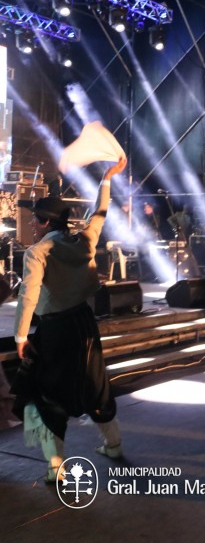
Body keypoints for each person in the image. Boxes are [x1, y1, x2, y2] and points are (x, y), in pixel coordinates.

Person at [11, 158, 127, 482]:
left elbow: (28, 296)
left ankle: (55, 467)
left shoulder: (37, 252)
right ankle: (114, 445)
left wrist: (21, 337)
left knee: (48, 394)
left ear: (45, 223)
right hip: (85, 326)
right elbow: (99, 214)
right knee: (96, 385)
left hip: (56, 331)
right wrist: (106, 180)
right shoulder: (84, 241)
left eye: (34, 220)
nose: (31, 224)